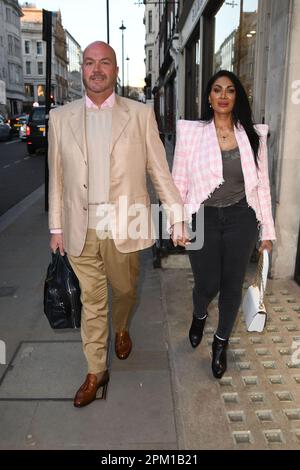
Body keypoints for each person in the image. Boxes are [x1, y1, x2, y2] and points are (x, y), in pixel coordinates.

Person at [48, 41, 188, 407]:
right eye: (90, 63)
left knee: (124, 291)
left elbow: (159, 169)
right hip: (80, 226)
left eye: (104, 63)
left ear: (115, 71)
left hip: (122, 222)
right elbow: (57, 179)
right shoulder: (60, 118)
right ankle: (96, 369)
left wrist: (176, 216)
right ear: (82, 69)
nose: (96, 69)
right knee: (93, 302)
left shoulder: (140, 115)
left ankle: (122, 326)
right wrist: (56, 228)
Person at [172, 70, 276, 379]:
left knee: (232, 282)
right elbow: (178, 181)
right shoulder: (192, 133)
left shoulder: (253, 136)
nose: (223, 95)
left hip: (241, 217)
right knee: (207, 282)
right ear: (209, 97)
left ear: (236, 97)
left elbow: (263, 187)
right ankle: (200, 313)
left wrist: (267, 232)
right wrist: (177, 223)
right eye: (217, 90)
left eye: (229, 90)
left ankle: (220, 343)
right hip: (202, 217)